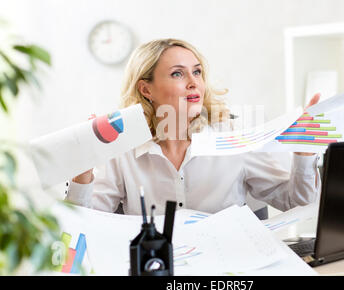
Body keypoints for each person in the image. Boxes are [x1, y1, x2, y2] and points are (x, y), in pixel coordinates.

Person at [65, 38, 321, 216]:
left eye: (197, 72)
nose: (193, 83)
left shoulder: (233, 136)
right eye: (178, 73)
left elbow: (298, 203)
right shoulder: (123, 148)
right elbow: (83, 225)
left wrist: (304, 151)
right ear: (146, 89)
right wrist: (82, 172)